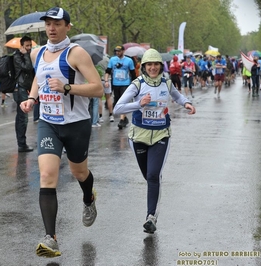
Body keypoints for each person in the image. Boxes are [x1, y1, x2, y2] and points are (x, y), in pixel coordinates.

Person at [20, 7, 103, 257]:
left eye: (57, 24)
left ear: (68, 26)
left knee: (79, 172)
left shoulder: (76, 54)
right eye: (47, 24)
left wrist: (68, 87)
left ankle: (89, 197)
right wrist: (32, 98)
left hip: (76, 124)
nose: (51, 28)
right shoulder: (38, 52)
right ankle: (51, 238)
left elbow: (97, 88)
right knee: (47, 175)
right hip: (49, 122)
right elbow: (39, 78)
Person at [113, 48, 196, 234]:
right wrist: (139, 104)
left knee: (153, 175)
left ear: (160, 66)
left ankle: (151, 217)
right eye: (149, 64)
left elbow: (176, 95)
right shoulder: (137, 84)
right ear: (143, 67)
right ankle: (153, 206)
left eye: (156, 64)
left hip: (161, 135)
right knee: (148, 176)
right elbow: (118, 109)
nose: (152, 67)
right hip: (139, 136)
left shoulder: (166, 83)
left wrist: (186, 103)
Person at [104, 45, 136, 129]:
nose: (117, 53)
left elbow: (133, 73)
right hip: (115, 83)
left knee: (123, 101)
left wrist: (134, 84)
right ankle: (124, 118)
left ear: (123, 51)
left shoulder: (129, 60)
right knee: (117, 101)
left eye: (119, 51)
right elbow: (108, 71)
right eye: (116, 51)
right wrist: (106, 81)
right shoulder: (112, 60)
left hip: (125, 83)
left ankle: (121, 120)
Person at [13, 36, 35, 152]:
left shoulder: (28, 55)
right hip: (20, 88)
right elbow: (27, 67)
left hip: (27, 88)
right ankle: (22, 144)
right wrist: (26, 55)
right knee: (23, 117)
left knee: (22, 117)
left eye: (30, 45)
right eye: (27, 46)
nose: (29, 48)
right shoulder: (17, 57)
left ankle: (22, 143)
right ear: (21, 46)